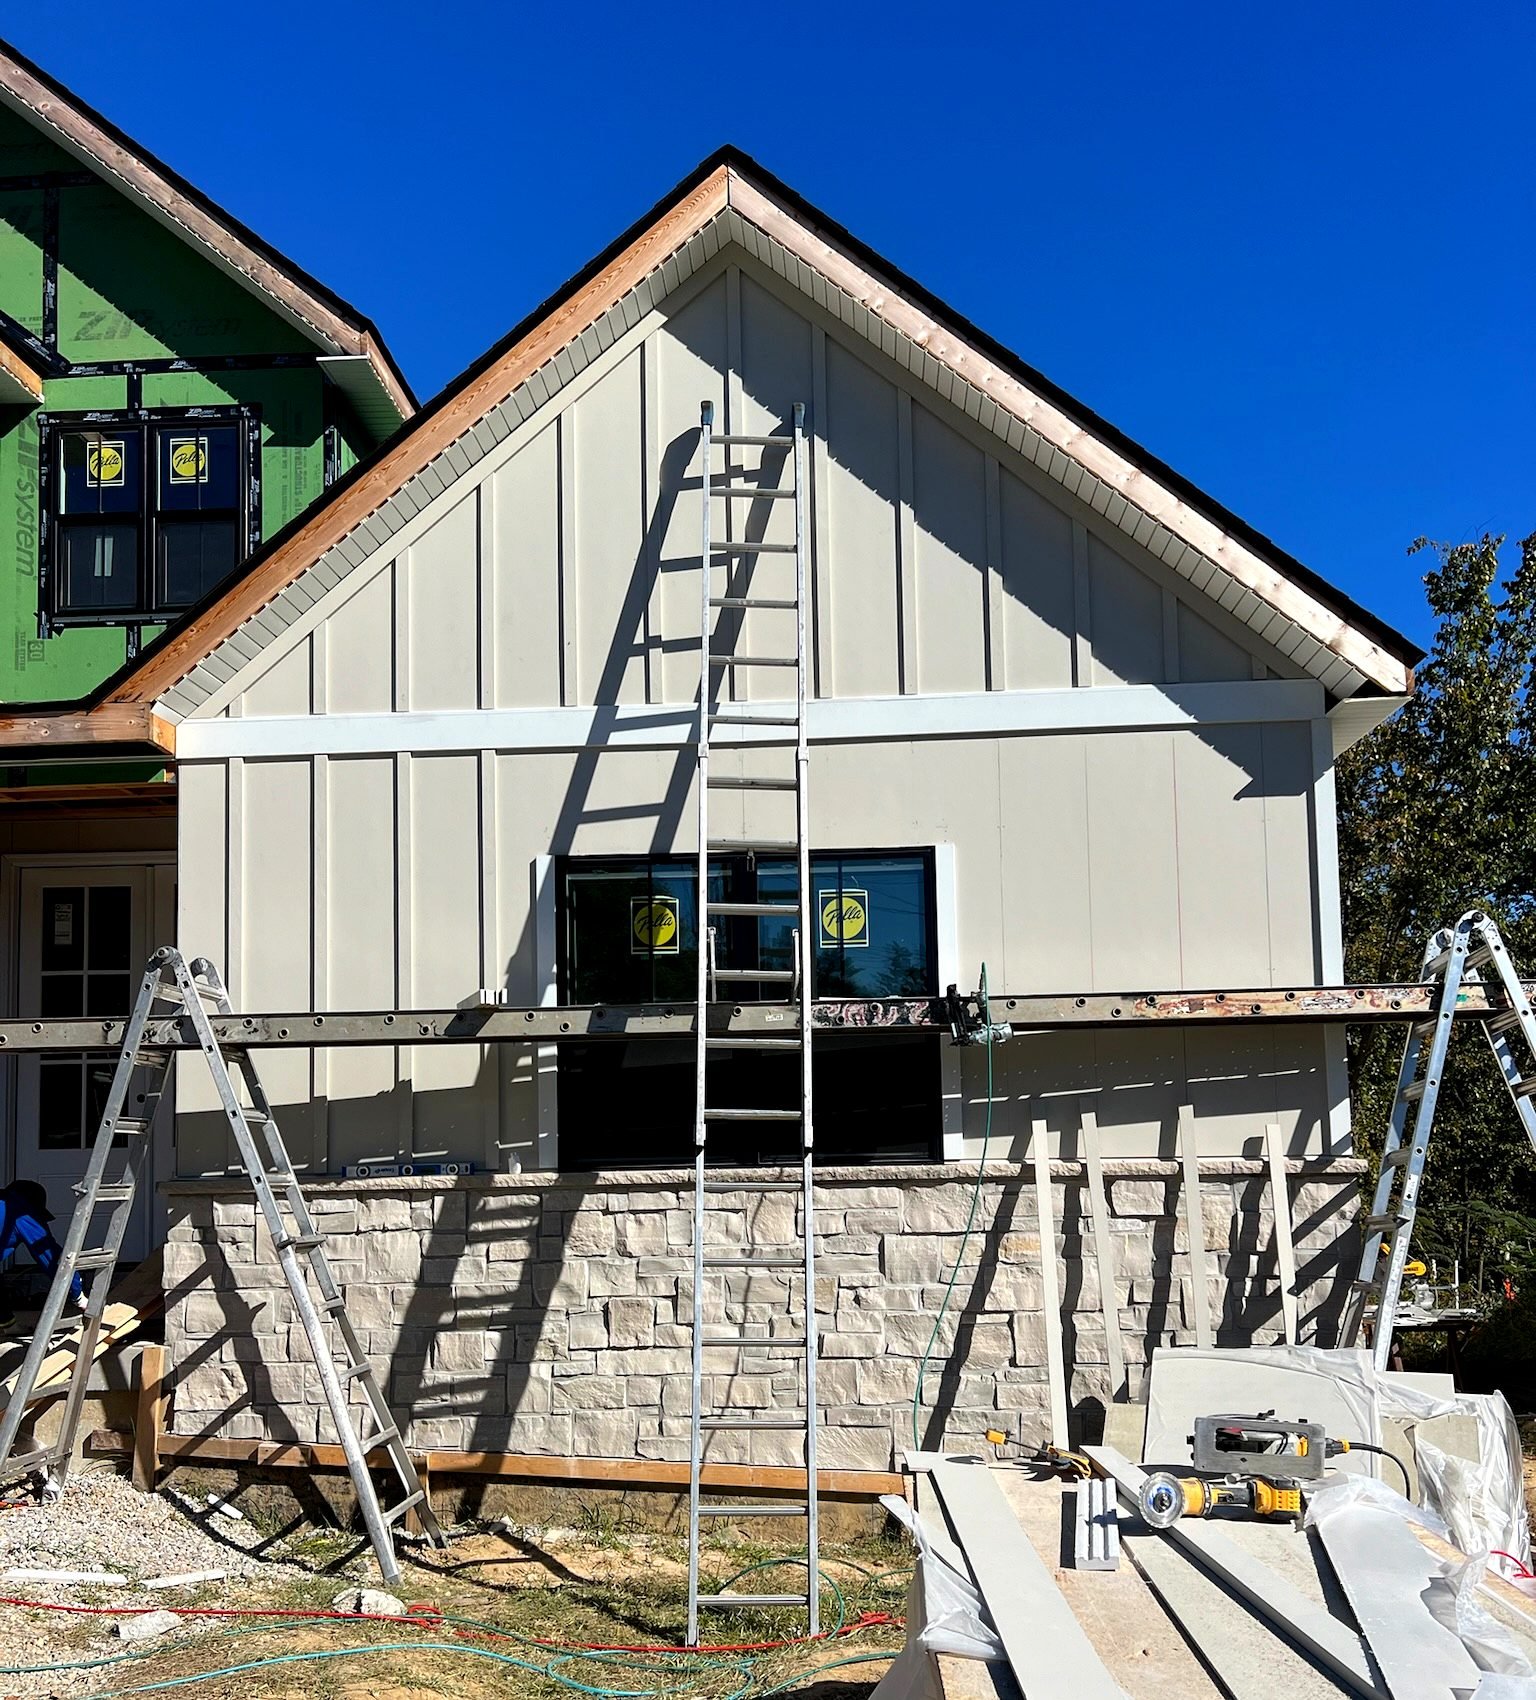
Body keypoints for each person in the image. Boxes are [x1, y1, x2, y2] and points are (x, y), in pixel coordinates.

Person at [0, 1180, 86, 1329]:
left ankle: (8, 1325)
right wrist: (77, 1295)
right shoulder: (21, 1211)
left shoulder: (4, 1204)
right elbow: (49, 1256)